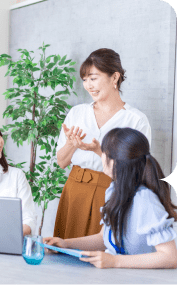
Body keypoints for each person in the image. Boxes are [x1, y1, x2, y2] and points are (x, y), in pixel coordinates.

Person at [45, 128, 177, 269]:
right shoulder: (114, 190)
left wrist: (115, 261)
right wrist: (66, 244)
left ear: (114, 162)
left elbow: (170, 257)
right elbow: (103, 238)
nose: (101, 156)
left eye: (103, 152)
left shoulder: (145, 199)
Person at [54, 48, 151, 239]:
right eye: (85, 79)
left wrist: (100, 151)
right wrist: (72, 144)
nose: (88, 85)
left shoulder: (135, 120)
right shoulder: (77, 113)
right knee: (65, 253)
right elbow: (61, 162)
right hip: (73, 191)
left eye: (94, 78)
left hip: (112, 193)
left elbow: (138, 173)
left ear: (114, 77)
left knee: (101, 253)